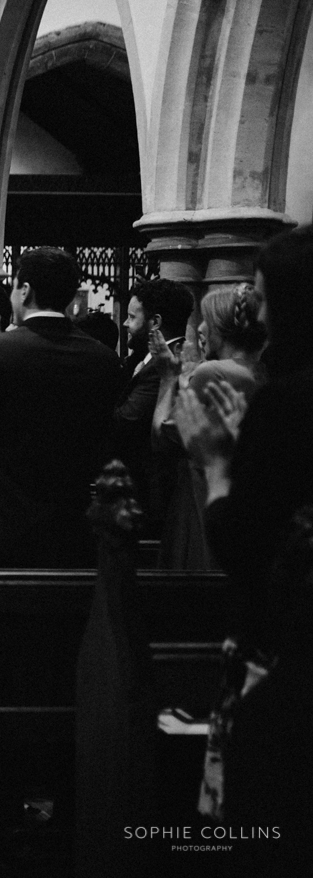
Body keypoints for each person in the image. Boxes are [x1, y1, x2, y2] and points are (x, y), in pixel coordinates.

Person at [176, 226, 313, 871]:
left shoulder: (285, 401)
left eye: (262, 296)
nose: (254, 312)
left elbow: (243, 543)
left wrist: (219, 462)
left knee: (269, 831)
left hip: (286, 657)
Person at [0, 247, 121, 567]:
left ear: (25, 291)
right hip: (71, 532)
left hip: (2, 528)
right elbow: (103, 446)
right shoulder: (103, 359)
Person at [151, 283, 267, 570]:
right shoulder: (261, 372)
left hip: (200, 496)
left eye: (206, 321)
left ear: (222, 326)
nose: (200, 329)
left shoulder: (213, 371)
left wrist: (168, 378)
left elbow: (162, 436)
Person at [113, 277, 194, 529]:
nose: (125, 323)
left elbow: (127, 420)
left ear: (155, 322)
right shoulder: (146, 361)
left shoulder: (161, 367)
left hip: (150, 494)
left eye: (131, 317)